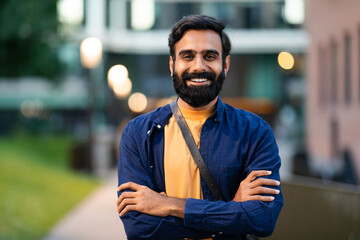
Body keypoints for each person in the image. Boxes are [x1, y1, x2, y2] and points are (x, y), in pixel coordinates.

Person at [117, 15, 283, 240]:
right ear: (172, 64)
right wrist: (233, 209)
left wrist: (171, 205)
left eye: (210, 56)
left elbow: (262, 219)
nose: (198, 66)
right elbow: (139, 228)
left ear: (225, 64)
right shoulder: (138, 133)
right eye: (187, 56)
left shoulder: (255, 132)